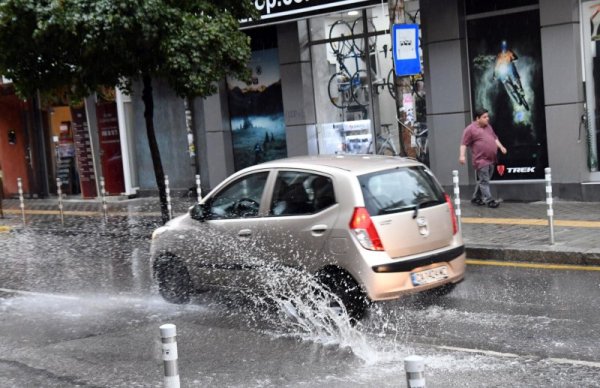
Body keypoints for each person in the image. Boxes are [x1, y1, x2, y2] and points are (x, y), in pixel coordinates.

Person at [459, 108, 507, 208]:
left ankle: (476, 198)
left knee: (483, 180)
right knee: (485, 181)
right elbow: (463, 144)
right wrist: (462, 156)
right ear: (477, 118)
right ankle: (489, 200)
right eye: (484, 117)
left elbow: (494, 138)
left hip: (491, 160)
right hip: (481, 160)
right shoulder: (470, 129)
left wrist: (501, 147)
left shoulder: (488, 127)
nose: (487, 119)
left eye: (487, 116)